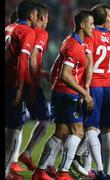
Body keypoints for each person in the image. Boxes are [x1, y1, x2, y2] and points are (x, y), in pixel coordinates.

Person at [32, 9, 94, 180]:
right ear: (82, 24)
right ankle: (64, 172)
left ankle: (40, 171)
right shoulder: (74, 46)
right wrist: (85, 93)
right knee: (78, 132)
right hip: (68, 93)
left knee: (61, 133)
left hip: (60, 92)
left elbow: (55, 69)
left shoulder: (71, 40)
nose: (93, 27)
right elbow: (65, 74)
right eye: (91, 24)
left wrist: (51, 78)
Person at [82, 4, 110, 179]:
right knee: (107, 130)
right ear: (102, 18)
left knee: (91, 127)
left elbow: (86, 62)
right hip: (108, 88)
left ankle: (98, 170)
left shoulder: (90, 35)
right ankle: (107, 172)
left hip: (94, 86)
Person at [5, 0, 38, 179]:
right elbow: (23, 61)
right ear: (30, 15)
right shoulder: (27, 31)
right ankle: (6, 172)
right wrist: (20, 90)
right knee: (14, 129)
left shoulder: (8, 28)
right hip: (12, 85)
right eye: (35, 15)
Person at [17, 3, 50, 173]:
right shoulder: (41, 33)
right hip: (29, 83)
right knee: (44, 120)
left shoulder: (20, 30)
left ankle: (13, 161)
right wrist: (36, 81)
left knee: (15, 123)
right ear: (42, 18)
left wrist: (42, 72)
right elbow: (33, 57)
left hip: (16, 80)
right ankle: (27, 153)